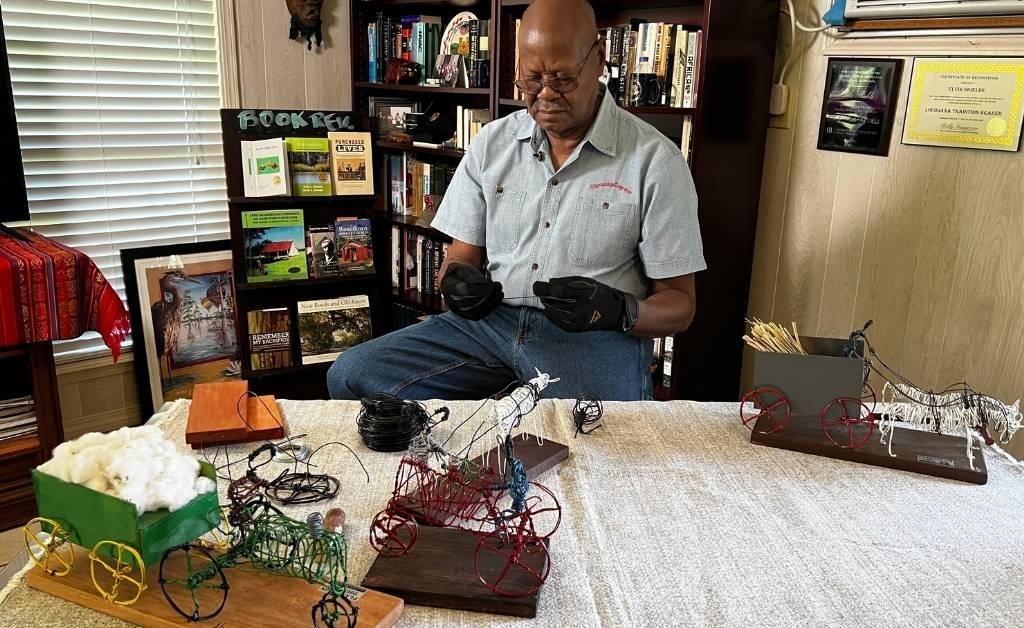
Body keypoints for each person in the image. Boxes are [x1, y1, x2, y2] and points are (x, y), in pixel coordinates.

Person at [328, 0, 705, 401]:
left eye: (562, 79)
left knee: (601, 445)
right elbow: (459, 259)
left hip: (594, 337)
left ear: (598, 59)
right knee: (351, 375)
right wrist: (456, 282)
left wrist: (619, 310)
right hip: (488, 327)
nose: (545, 94)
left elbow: (680, 307)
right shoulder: (493, 143)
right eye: (531, 79)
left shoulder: (656, 161)